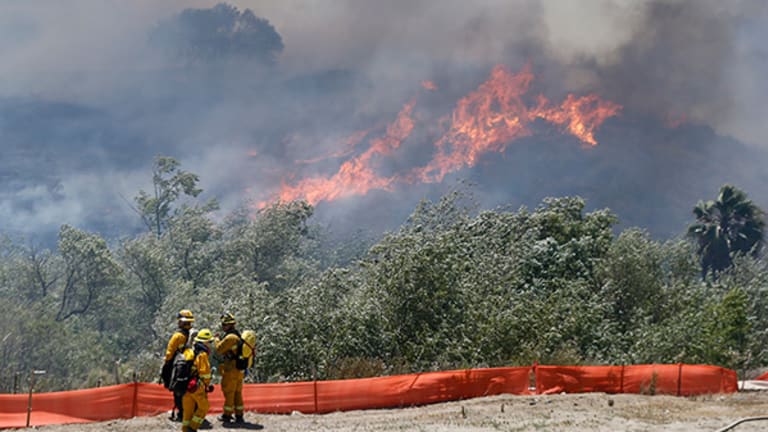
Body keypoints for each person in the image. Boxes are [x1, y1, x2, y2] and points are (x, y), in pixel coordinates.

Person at [162, 309, 194, 422]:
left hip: (178, 366)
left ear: (181, 321)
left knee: (178, 390)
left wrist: (166, 365)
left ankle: (182, 413)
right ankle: (190, 411)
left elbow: (169, 353)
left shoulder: (177, 336)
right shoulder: (193, 334)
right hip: (191, 366)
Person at [181, 328, 215, 432]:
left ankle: (186, 429)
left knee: (188, 412)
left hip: (186, 386)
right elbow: (205, 373)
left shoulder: (191, 351)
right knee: (204, 407)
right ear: (204, 342)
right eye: (209, 341)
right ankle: (192, 428)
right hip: (197, 387)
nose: (210, 344)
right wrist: (207, 385)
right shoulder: (202, 354)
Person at [214, 312, 245, 424]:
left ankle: (227, 415)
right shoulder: (237, 334)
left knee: (229, 392)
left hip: (231, 369)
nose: (222, 327)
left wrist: (216, 339)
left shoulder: (230, 337)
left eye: (224, 325)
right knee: (237, 393)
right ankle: (239, 415)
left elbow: (219, 349)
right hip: (239, 370)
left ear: (229, 325)